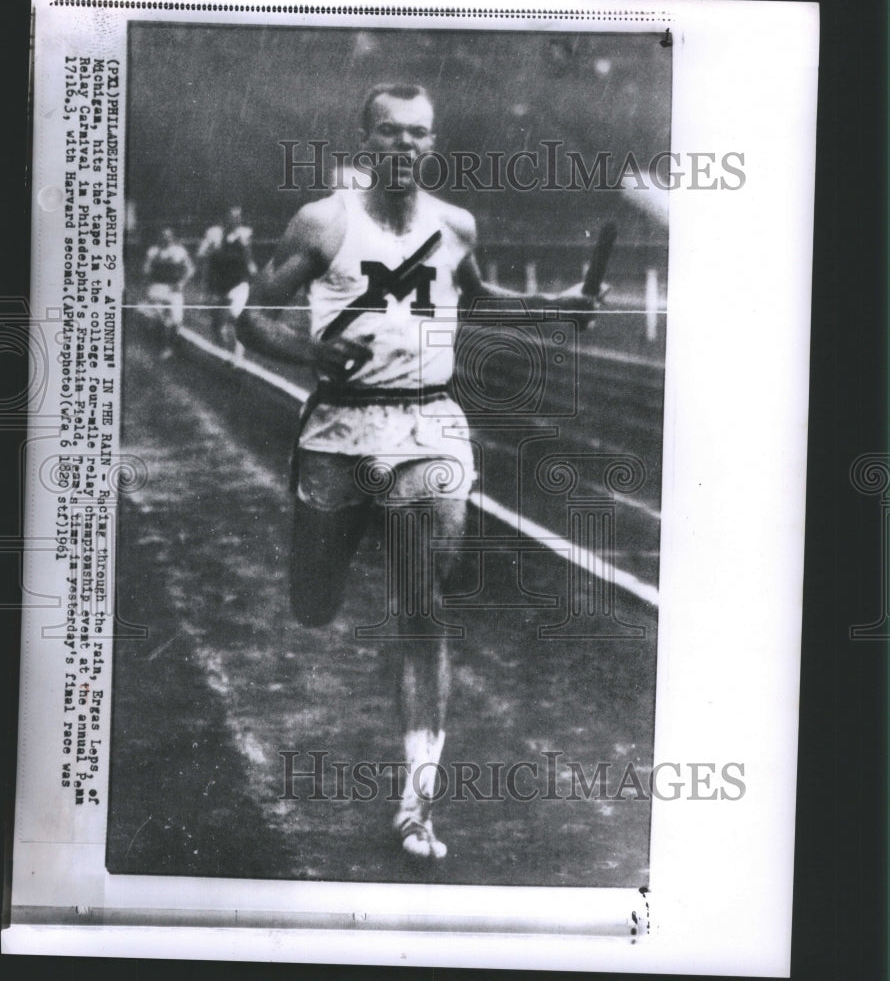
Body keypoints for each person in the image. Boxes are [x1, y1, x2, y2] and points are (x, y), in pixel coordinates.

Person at [237, 84, 599, 860]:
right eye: (390, 133)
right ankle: (323, 573)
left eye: (420, 134)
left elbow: (482, 299)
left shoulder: (456, 226)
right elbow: (250, 315)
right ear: (365, 140)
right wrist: (309, 353)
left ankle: (416, 806)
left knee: (422, 607)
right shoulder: (324, 221)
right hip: (339, 429)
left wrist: (556, 304)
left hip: (430, 428)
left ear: (434, 143)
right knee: (313, 603)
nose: (405, 146)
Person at [197, 205, 258, 352]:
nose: (236, 219)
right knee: (217, 324)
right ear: (225, 217)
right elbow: (201, 254)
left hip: (238, 281)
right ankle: (222, 345)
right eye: (233, 216)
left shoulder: (244, 233)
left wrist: (251, 268)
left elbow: (248, 256)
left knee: (234, 316)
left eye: (239, 216)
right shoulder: (214, 234)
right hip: (219, 282)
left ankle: (238, 357)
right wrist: (211, 250)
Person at [141, 226, 194, 356]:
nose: (165, 238)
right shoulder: (153, 251)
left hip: (173, 288)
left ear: (172, 237)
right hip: (157, 287)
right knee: (164, 319)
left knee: (176, 320)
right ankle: (166, 347)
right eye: (163, 235)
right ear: (159, 237)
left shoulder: (179, 251)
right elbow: (146, 269)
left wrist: (182, 283)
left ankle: (172, 343)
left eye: (168, 236)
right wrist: (148, 278)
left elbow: (190, 269)